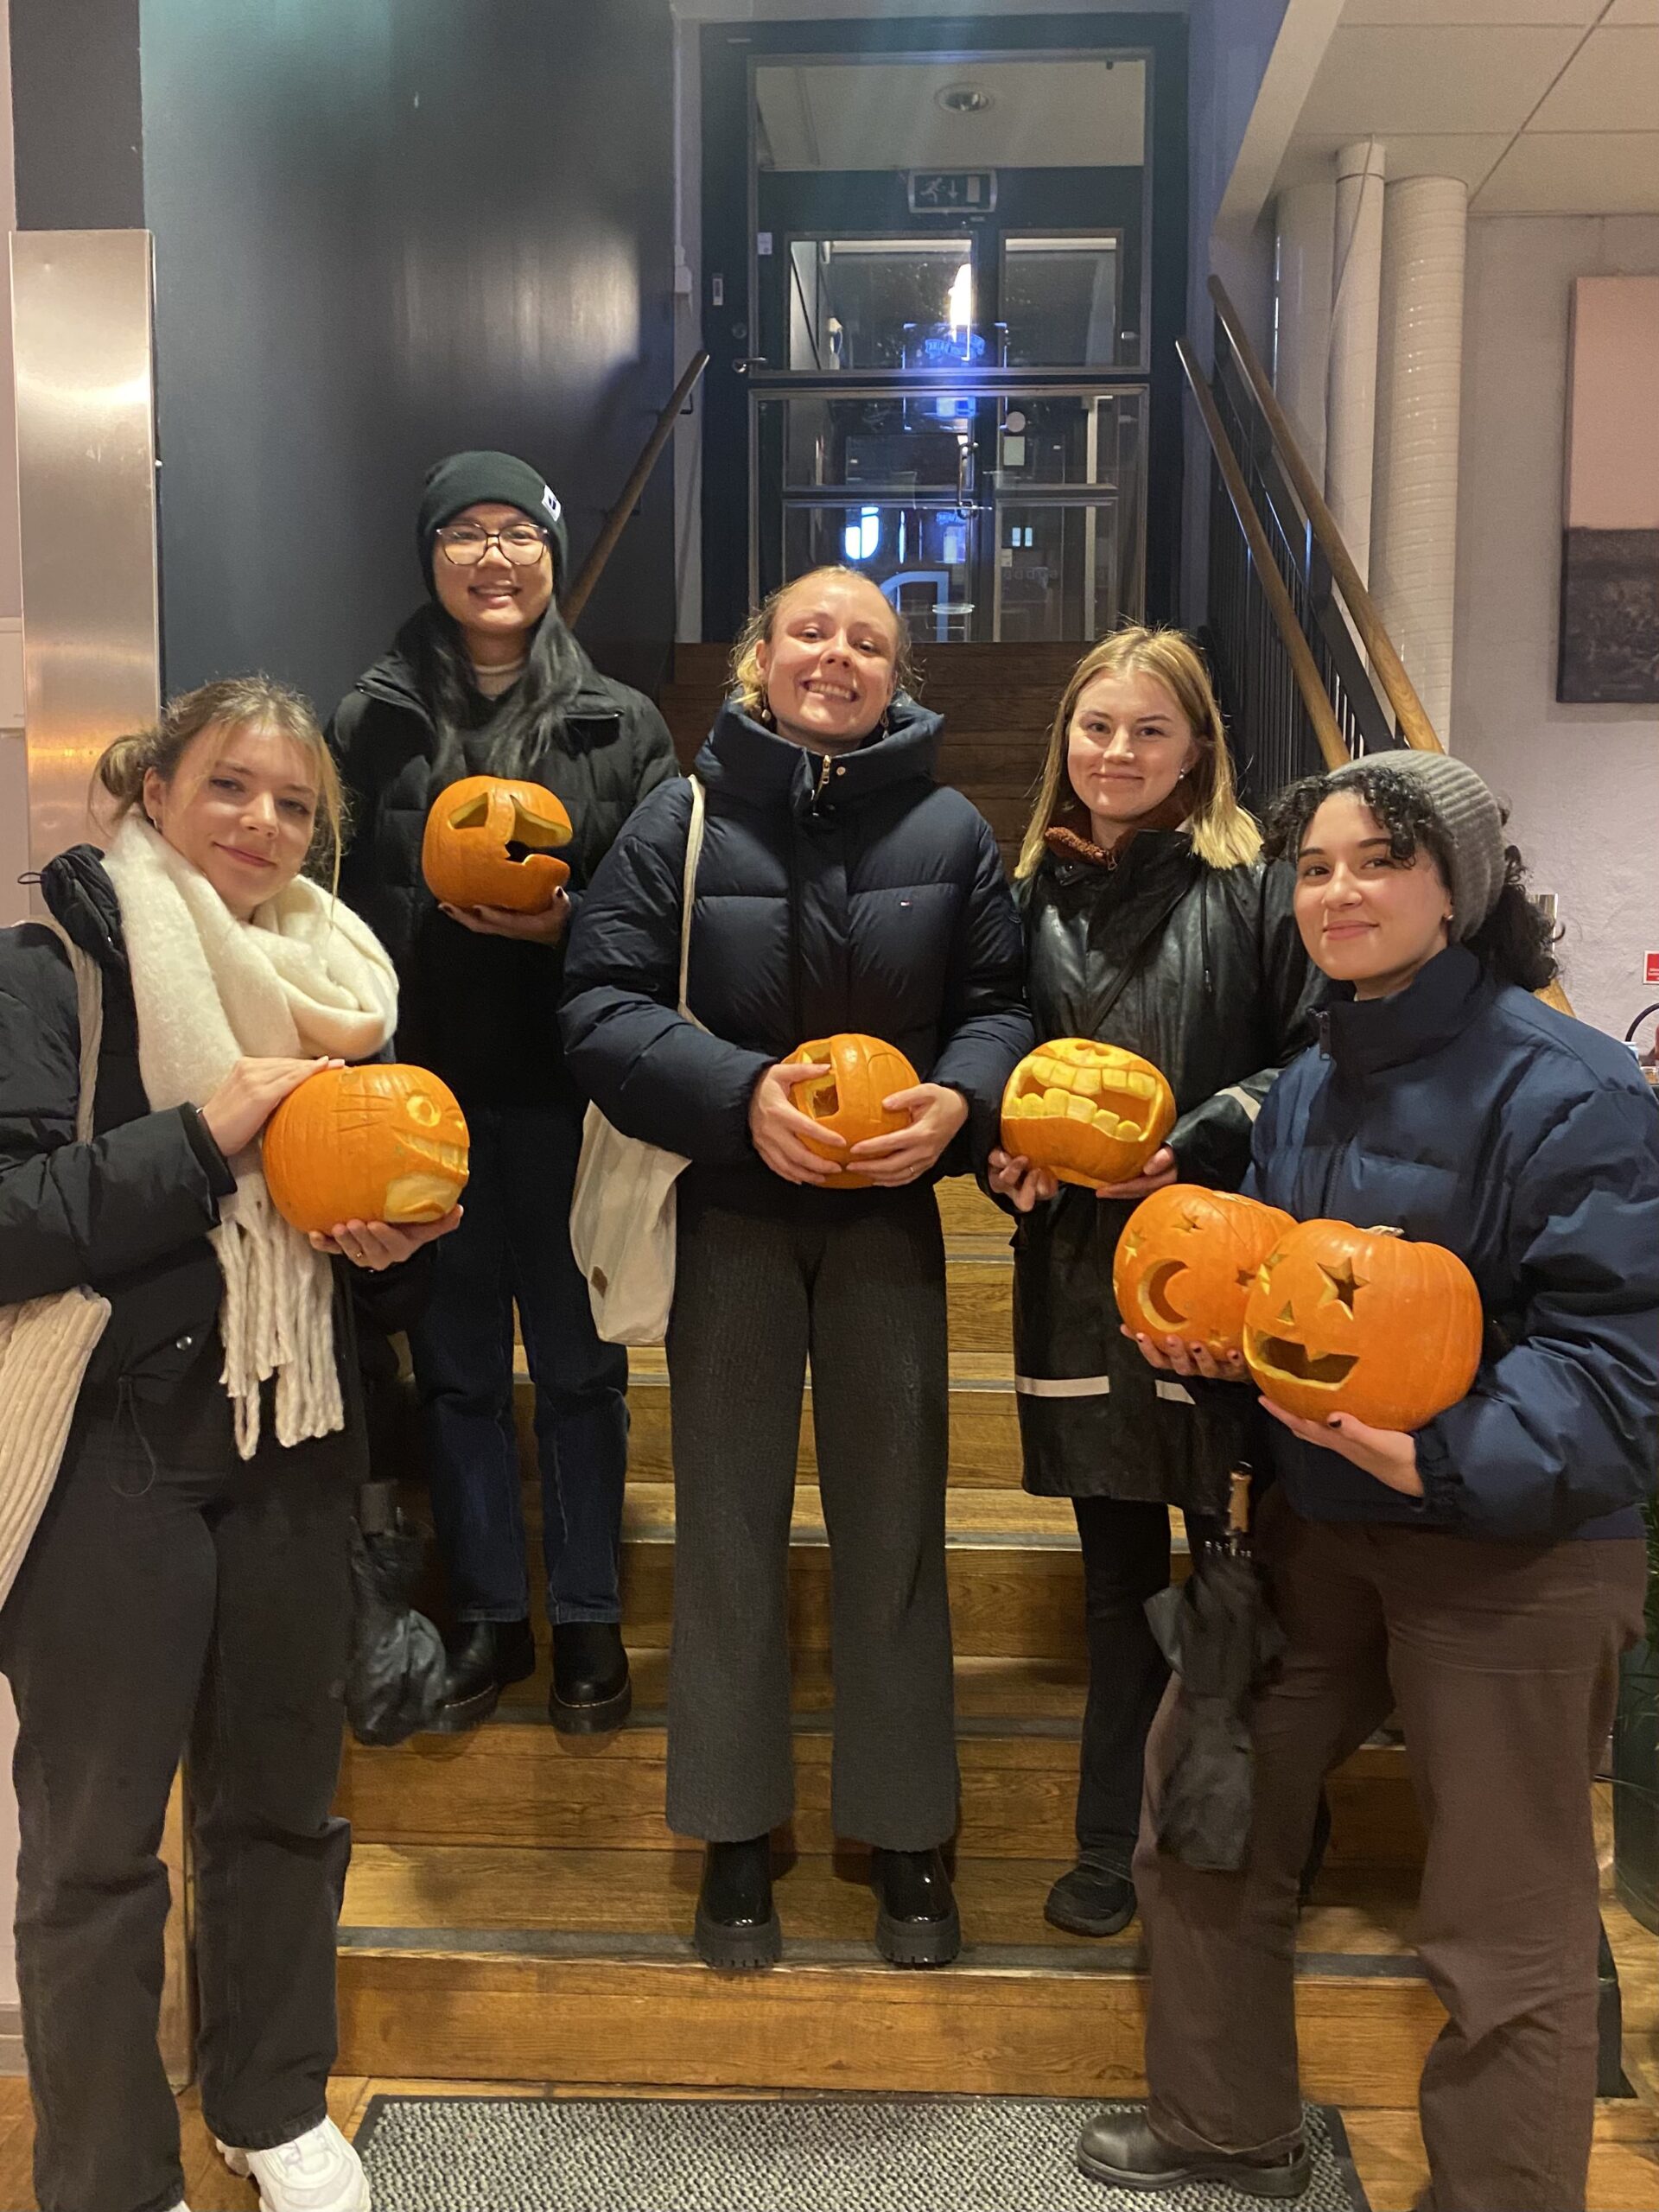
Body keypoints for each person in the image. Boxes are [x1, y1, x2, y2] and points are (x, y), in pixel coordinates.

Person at [1082, 749, 1659, 2210]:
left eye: (1378, 863)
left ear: (1457, 891)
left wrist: (1448, 1450)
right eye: (1318, 867)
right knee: (1203, 1805)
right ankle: (1226, 2125)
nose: (1339, 892)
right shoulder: (1312, 1085)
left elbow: (1622, 1362)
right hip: (1316, 1523)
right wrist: (1225, 1355)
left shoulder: (1573, 1086)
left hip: (1515, 1548)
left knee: (1505, 1918)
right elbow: (1302, 1304)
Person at [0, 676, 458, 2212]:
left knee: (279, 1804)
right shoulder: (54, 968)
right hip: (109, 1447)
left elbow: (348, 1216)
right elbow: (5, 1223)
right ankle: (112, 2176)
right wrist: (203, 1137)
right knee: (96, 1850)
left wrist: (401, 1250)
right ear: (153, 790)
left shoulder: (337, 984)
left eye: (293, 803)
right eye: (230, 789)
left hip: (295, 1435)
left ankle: (271, 2102)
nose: (263, 824)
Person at [563, 565, 1031, 1968]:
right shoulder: (678, 818)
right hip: (732, 1216)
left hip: (890, 1224)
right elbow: (597, 1003)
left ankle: (908, 1834)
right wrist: (736, 1093)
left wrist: (960, 1104)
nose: (836, 655)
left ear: (902, 674)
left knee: (896, 1530)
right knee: (726, 1525)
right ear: (759, 656)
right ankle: (730, 1828)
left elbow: (1000, 1007)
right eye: (810, 631)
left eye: (869, 640)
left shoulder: (952, 831)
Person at [330, 450, 678, 1734]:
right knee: (461, 1372)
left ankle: (586, 1617)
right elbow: (325, 900)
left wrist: (570, 933)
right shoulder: (366, 723)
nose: (493, 557)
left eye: (516, 533)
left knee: (581, 1371)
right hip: (412, 1099)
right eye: (465, 533)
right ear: (431, 558)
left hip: (569, 1095)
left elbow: (666, 919)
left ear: (551, 556)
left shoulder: (621, 726)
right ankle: (489, 1612)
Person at [987, 627, 1315, 1939]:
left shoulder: (1259, 889)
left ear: (1199, 752)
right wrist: (999, 1153)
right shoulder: (1023, 895)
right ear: (1064, 741)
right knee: (1117, 1569)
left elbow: (1316, 1055)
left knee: (1237, 1561)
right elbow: (993, 1048)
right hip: (1071, 1270)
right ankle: (1109, 1842)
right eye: (1095, 728)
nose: (1116, 754)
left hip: (1223, 1266)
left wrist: (1205, 1136)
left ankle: (1247, 1836)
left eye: (1148, 732)